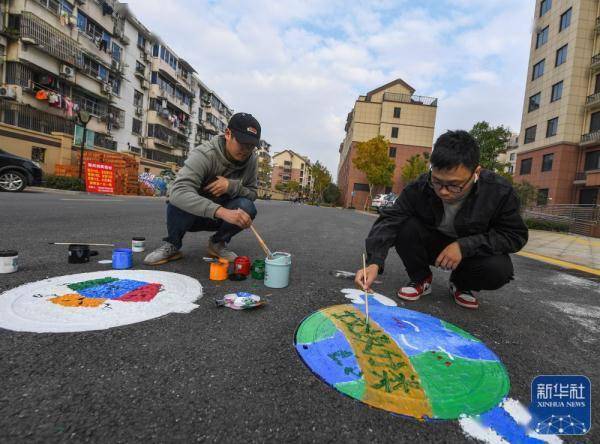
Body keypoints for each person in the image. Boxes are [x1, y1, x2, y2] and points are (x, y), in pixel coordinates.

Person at [355, 130, 528, 309]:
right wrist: (375, 261)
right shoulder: (419, 187)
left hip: (469, 253)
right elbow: (390, 220)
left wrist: (464, 246)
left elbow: (514, 235)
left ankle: (461, 284)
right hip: (432, 244)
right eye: (437, 181)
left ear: (476, 172)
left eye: (454, 185)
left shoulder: (498, 191)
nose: (443, 191)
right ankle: (421, 278)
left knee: (499, 269)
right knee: (405, 226)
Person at [144, 112, 261, 265]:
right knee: (178, 199)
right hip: (191, 216)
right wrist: (221, 211)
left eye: (251, 146)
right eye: (242, 143)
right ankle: (172, 244)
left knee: (248, 207)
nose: (246, 150)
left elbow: (252, 193)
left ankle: (217, 244)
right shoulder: (205, 154)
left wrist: (231, 186)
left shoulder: (251, 160)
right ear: (228, 134)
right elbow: (178, 192)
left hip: (220, 219)